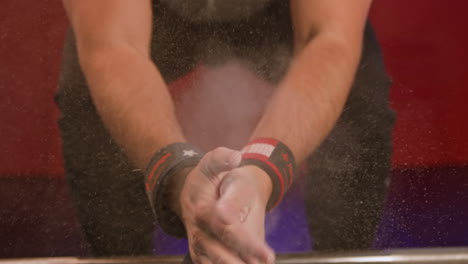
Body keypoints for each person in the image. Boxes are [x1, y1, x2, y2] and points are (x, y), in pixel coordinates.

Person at [56, 0, 395, 263]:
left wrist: (261, 173)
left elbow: (326, 38)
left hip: (278, 14)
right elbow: (115, 47)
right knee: (87, 99)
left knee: (359, 97)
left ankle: (345, 254)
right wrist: (179, 176)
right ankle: (120, 257)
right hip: (157, 15)